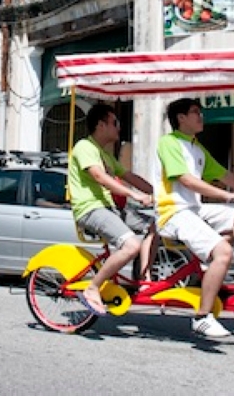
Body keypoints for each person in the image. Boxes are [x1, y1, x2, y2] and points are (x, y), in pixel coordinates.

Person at [154, 98, 234, 339]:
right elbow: (186, 180)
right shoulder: (169, 143)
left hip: (194, 211)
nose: (201, 116)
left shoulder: (197, 148)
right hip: (173, 212)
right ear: (181, 118)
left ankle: (210, 264)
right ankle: (202, 317)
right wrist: (228, 197)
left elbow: (226, 176)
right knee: (224, 253)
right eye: (195, 112)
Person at [68, 104, 155, 317]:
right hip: (90, 209)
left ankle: (144, 279)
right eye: (114, 123)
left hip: (110, 209)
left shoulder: (106, 155)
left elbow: (129, 176)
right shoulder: (84, 147)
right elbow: (99, 177)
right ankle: (92, 288)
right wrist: (133, 195)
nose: (119, 127)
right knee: (132, 245)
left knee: (158, 224)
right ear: (100, 125)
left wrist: (159, 193)